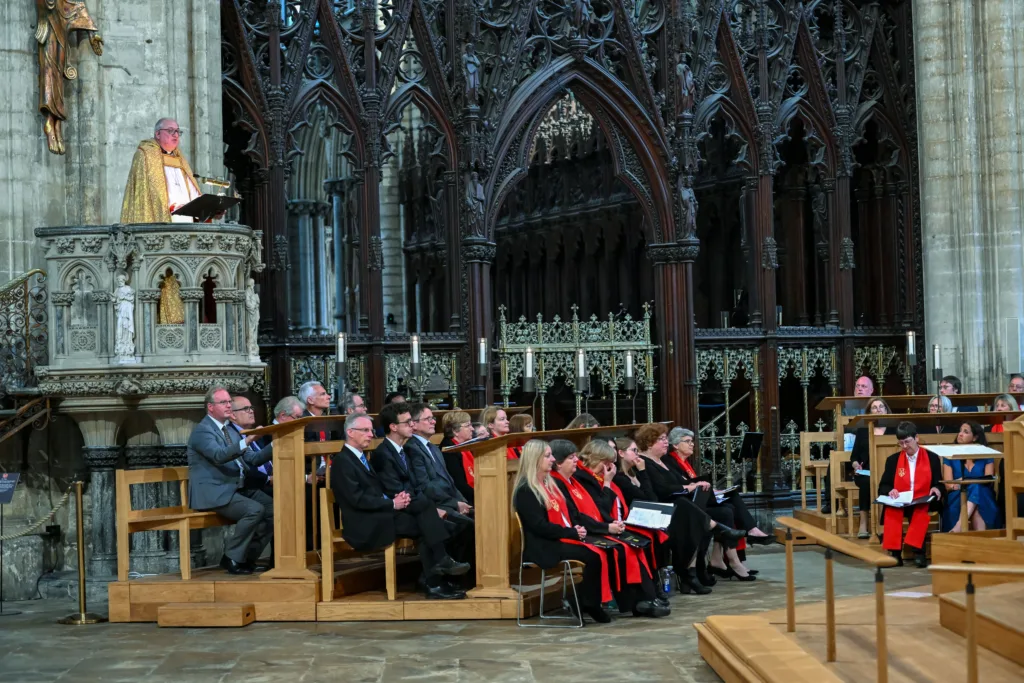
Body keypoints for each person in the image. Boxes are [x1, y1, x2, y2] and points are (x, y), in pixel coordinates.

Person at [331, 413, 469, 600]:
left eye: (371, 430)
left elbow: (375, 491)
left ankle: (434, 578)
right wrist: (391, 503)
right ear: (350, 432)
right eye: (365, 430)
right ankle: (436, 575)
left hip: (380, 514)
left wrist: (395, 497)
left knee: (424, 509)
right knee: (429, 524)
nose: (371, 434)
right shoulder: (342, 461)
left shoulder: (360, 457)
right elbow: (357, 499)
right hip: (364, 523)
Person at [548, 439, 669, 617]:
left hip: (600, 525)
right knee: (622, 548)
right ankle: (632, 601)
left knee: (644, 540)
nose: (610, 467)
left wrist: (611, 523)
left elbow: (597, 510)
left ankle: (647, 595)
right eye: (605, 463)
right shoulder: (583, 478)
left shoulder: (578, 479)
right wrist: (607, 524)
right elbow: (595, 510)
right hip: (587, 530)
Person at [613, 437, 739, 594]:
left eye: (637, 450)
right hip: (641, 518)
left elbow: (654, 495)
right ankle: (712, 532)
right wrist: (644, 472)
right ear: (621, 453)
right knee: (684, 510)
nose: (637, 454)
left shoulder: (635, 473)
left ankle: (690, 573)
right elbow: (650, 499)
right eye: (633, 451)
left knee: (690, 521)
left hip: (654, 513)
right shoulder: (620, 477)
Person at [634, 423, 754, 581]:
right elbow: (663, 490)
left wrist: (693, 485)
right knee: (703, 519)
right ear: (649, 443)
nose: (666, 442)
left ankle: (718, 562)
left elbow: (681, 482)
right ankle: (696, 570)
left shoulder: (661, 461)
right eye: (661, 439)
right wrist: (690, 487)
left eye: (665, 438)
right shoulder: (646, 463)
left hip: (683, 506)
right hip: (670, 511)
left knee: (724, 511)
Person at [512, 439, 613, 623]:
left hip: (557, 538)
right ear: (535, 459)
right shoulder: (526, 489)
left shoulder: (549, 484)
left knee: (601, 549)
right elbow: (539, 526)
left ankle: (584, 601)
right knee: (592, 556)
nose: (552, 460)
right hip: (543, 546)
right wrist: (571, 533)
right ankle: (587, 602)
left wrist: (576, 529)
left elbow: (566, 516)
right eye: (548, 456)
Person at [186, 385, 273, 575]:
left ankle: (247, 558)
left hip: (233, 487)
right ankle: (231, 557)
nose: (228, 406)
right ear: (210, 407)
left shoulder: (230, 431)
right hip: (214, 491)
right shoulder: (203, 431)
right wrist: (247, 441)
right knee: (254, 510)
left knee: (272, 509)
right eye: (223, 402)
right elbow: (218, 455)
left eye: (229, 402)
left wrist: (277, 442)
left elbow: (253, 459)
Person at [666, 427, 772, 544]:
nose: (692, 444)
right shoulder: (670, 462)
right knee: (728, 507)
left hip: (698, 496)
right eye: (687, 441)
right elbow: (683, 484)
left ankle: (748, 536)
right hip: (689, 502)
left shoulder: (685, 462)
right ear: (675, 445)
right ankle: (751, 531)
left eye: (692, 441)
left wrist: (714, 490)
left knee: (731, 501)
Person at [404, 403, 474, 563]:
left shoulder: (433, 448)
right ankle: (458, 578)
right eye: (428, 419)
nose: (433, 421)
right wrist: (455, 503)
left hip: (448, 501)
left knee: (483, 519)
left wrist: (461, 501)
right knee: (467, 526)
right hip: (435, 504)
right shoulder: (412, 448)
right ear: (413, 424)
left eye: (433, 418)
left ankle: (475, 577)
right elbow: (425, 486)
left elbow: (450, 480)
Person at [878, 421, 943, 567]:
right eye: (901, 443)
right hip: (901, 500)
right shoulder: (893, 460)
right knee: (891, 510)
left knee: (920, 510)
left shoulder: (932, 458)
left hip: (922, 499)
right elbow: (884, 485)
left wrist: (936, 488)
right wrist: (890, 490)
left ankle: (919, 553)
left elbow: (939, 483)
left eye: (907, 442)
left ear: (917, 438)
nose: (905, 446)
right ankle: (895, 554)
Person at [121, 118, 202, 223]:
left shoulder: (180, 158)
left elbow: (192, 190)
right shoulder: (145, 154)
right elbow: (143, 193)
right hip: (161, 220)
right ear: (158, 134)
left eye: (177, 131)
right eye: (170, 130)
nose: (175, 135)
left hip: (187, 220)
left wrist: (207, 208)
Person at [846, 397, 897, 538]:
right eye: (874, 407)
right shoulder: (863, 430)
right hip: (866, 472)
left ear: (887, 410)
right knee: (866, 483)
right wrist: (856, 465)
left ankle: (887, 524)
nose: (878, 409)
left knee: (890, 483)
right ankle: (864, 523)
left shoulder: (894, 429)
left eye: (881, 407)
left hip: (889, 471)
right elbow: (854, 457)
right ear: (869, 412)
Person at [941, 421, 997, 532]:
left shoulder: (986, 454)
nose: (960, 434)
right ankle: (982, 543)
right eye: (960, 431)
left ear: (975, 437)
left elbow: (988, 480)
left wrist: (964, 481)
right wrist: (967, 484)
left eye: (965, 432)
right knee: (976, 496)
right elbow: (948, 484)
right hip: (958, 495)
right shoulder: (949, 455)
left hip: (983, 494)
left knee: (977, 490)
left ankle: (959, 526)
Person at [440, 410, 476, 504]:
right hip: (463, 500)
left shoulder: (466, 446)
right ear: (455, 431)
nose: (472, 429)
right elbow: (459, 484)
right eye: (468, 425)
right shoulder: (448, 451)